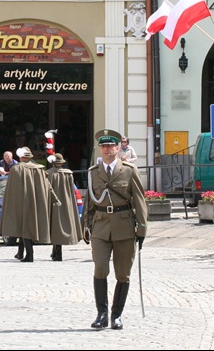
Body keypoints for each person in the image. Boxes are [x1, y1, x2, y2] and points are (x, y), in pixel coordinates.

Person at [82, 129, 148, 330]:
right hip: (101, 227)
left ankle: (116, 314)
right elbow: (90, 202)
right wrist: (86, 224)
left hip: (124, 226)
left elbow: (139, 200)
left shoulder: (128, 170)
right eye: (103, 146)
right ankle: (101, 313)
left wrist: (142, 229)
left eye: (110, 146)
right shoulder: (94, 172)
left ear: (118, 148)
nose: (106, 149)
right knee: (100, 268)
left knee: (123, 273)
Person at [0, 146, 59, 262]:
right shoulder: (39, 169)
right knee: (27, 227)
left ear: (20, 157)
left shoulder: (16, 169)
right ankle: (21, 253)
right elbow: (48, 186)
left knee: (24, 227)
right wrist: (55, 199)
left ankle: (29, 255)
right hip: (37, 203)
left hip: (22, 203)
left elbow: (11, 190)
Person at [47, 153, 83, 261]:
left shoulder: (48, 174)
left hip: (53, 202)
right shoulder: (68, 174)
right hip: (66, 202)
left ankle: (57, 253)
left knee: (54, 226)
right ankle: (55, 252)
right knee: (60, 225)